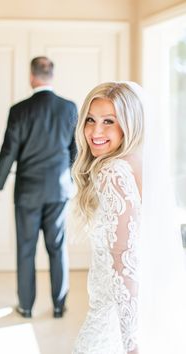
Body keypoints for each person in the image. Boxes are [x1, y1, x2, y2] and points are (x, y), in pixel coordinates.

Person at [0, 56, 78, 319]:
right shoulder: (69, 108)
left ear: (31, 77)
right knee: (57, 247)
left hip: (27, 192)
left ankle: (26, 307)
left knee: (26, 248)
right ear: (53, 76)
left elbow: (8, 151)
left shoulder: (19, 110)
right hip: (59, 190)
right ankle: (60, 306)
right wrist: (69, 179)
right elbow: (74, 151)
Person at [71, 82, 143, 354]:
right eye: (90, 120)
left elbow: (123, 257)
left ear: (128, 125)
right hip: (130, 308)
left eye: (108, 121)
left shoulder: (112, 173)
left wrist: (130, 341)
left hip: (111, 318)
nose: (95, 131)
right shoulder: (136, 161)